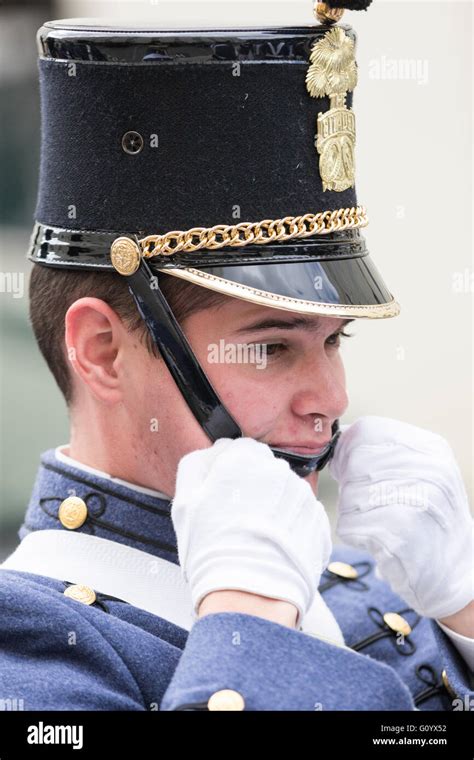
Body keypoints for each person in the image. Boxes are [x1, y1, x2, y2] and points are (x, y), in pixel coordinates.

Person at [0, 2, 472, 712]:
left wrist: (466, 609)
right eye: (272, 345)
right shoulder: (32, 640)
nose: (331, 397)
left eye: (333, 340)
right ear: (102, 352)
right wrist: (248, 621)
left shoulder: (352, 580)